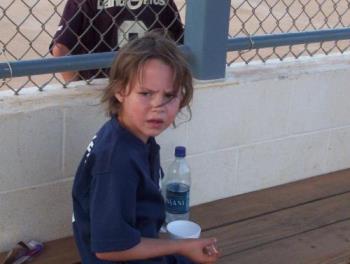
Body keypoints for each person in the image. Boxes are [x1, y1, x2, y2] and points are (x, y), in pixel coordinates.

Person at [72, 32, 220, 263]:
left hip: (138, 241)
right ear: (120, 91)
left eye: (169, 95)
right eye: (145, 93)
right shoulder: (117, 159)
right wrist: (180, 246)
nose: (158, 106)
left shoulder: (134, 136)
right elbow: (109, 248)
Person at [50, 0, 184, 82]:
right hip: (149, 81)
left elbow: (60, 48)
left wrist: (77, 86)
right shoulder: (164, 1)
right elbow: (179, 43)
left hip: (103, 82)